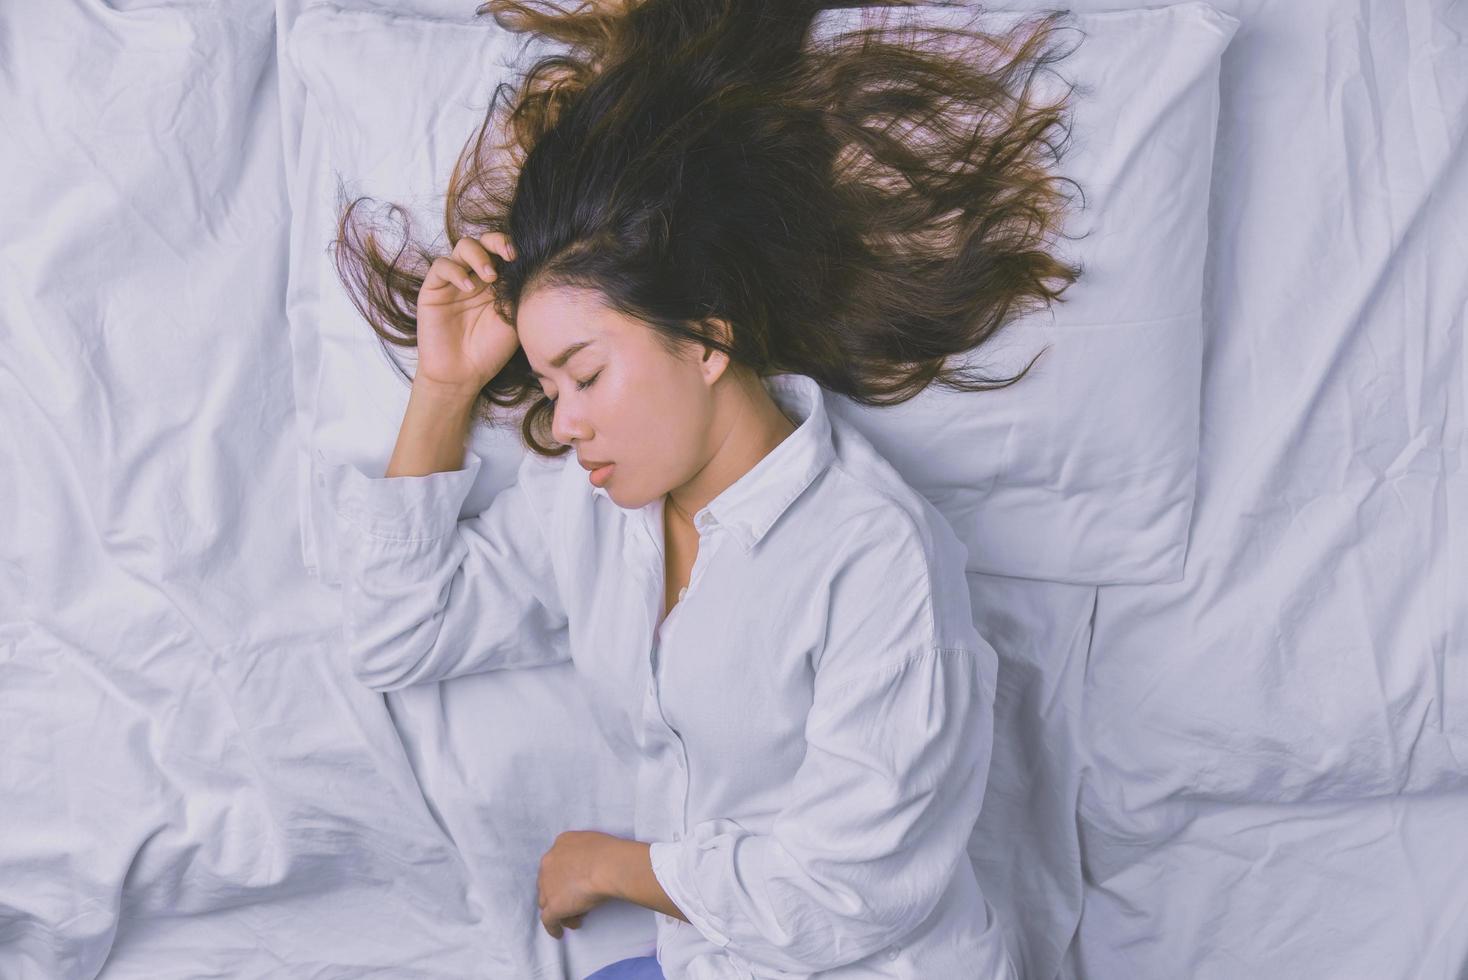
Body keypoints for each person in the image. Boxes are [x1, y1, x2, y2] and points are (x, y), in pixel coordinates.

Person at [324, 0, 1087, 976]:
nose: (562, 423)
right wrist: (444, 387)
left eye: (586, 375)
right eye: (549, 385)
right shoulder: (597, 509)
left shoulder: (874, 551)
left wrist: (618, 863)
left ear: (706, 339)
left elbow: (852, 893)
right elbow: (398, 631)